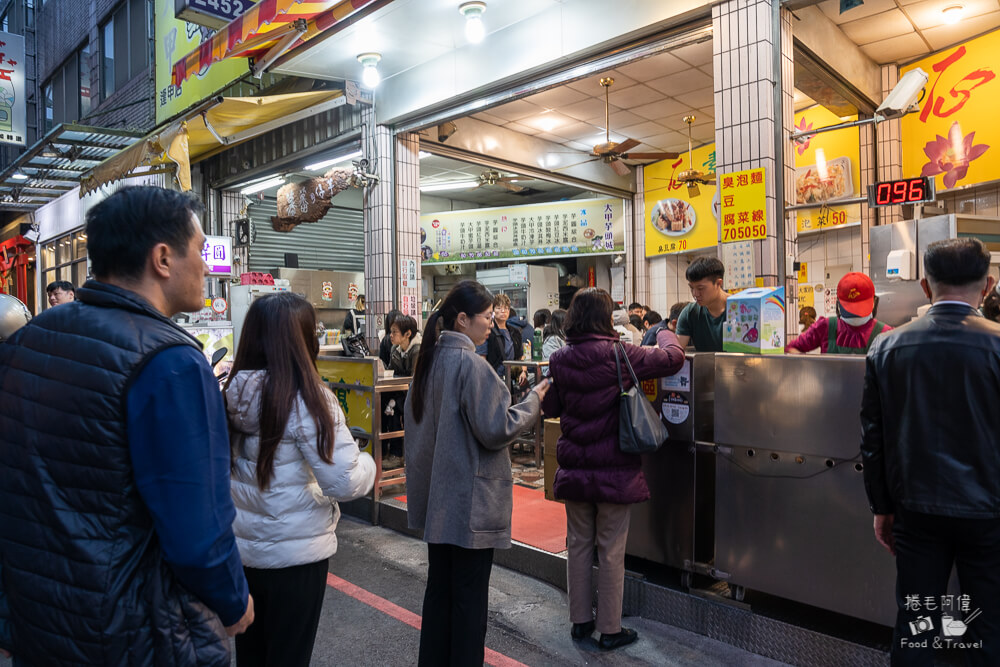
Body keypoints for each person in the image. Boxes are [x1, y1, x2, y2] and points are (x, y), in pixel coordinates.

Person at [0, 186, 253, 664]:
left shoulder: (28, 341)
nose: (206, 266)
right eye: (200, 250)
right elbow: (197, 524)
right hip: (135, 629)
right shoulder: (170, 361)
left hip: (41, 619)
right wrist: (232, 599)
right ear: (162, 258)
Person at [860, 238, 1000, 666]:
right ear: (988, 285)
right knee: (987, 622)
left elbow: (873, 438)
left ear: (925, 285)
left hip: (915, 511)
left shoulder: (886, 347)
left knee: (918, 620)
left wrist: (881, 507)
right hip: (990, 513)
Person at [225, 292, 376, 667]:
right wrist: (368, 462)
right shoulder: (309, 399)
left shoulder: (230, 393)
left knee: (251, 658)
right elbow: (344, 482)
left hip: (242, 556)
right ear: (302, 340)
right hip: (296, 559)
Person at [404, 280, 550, 667]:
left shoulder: (429, 362)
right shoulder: (472, 365)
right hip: (469, 503)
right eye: (486, 317)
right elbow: (496, 428)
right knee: (469, 606)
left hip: (438, 501)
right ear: (463, 319)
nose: (491, 323)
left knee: (439, 596)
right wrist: (534, 400)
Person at [542, 288, 684, 650]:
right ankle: (609, 629)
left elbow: (552, 406)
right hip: (615, 470)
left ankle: (579, 622)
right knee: (610, 551)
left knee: (577, 546)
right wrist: (666, 328)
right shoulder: (622, 353)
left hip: (575, 468)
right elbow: (673, 358)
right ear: (607, 317)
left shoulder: (559, 358)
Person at [786, 273, 892, 355]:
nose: (855, 314)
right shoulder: (825, 327)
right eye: (851, 308)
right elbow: (790, 348)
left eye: (859, 308)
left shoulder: (886, 335)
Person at [675, 257, 728, 351]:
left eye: (700, 288)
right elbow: (676, 349)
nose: (695, 294)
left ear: (718, 283)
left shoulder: (741, 309)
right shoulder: (690, 313)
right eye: (691, 288)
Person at [477, 293, 525, 383]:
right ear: (493, 311)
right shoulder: (488, 331)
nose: (503, 311)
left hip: (512, 378)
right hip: (493, 378)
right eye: (499, 308)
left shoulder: (515, 332)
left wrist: (522, 372)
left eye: (506, 308)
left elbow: (519, 357)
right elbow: (481, 358)